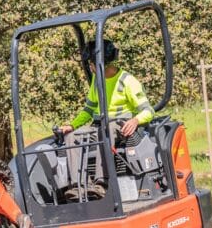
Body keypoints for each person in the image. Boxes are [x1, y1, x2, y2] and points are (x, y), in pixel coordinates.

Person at [59, 39, 154, 200]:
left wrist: (135, 121)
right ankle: (79, 185)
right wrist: (72, 126)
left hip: (120, 125)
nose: (90, 67)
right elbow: (89, 110)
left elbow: (148, 111)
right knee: (71, 137)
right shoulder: (96, 81)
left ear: (98, 64)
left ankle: (101, 183)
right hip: (99, 124)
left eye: (91, 64)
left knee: (106, 131)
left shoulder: (127, 81)